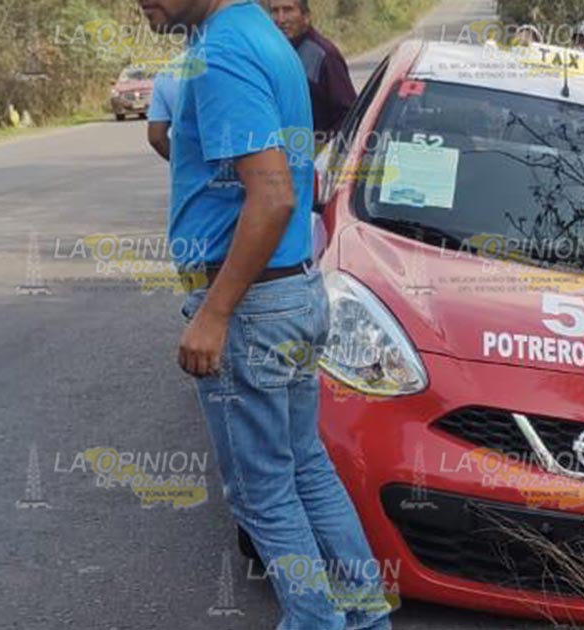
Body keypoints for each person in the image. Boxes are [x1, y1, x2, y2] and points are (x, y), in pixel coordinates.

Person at [135, 0, 390, 628]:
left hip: (252, 304)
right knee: (304, 465)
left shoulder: (222, 53)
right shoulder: (256, 33)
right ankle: (363, 616)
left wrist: (216, 312)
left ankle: (316, 620)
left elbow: (273, 194)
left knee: (262, 491)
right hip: (290, 291)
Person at [269, 0, 357, 140]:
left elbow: (349, 116)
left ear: (306, 16)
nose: (281, 19)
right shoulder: (270, 53)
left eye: (288, 10)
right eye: (275, 11)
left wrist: (318, 144)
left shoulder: (324, 56)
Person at [145, 53, 184, 161]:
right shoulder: (231, 61)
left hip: (192, 173)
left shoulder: (167, 72)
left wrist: (183, 164)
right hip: (231, 170)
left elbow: (156, 137)